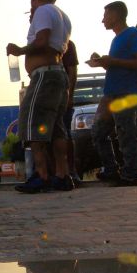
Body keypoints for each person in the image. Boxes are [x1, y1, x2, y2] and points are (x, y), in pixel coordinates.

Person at [7, 0, 73, 193]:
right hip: (58, 74)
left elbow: (43, 40)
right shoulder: (63, 15)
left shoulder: (43, 11)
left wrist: (20, 50)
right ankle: (63, 175)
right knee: (56, 128)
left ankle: (42, 174)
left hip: (44, 76)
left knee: (32, 121)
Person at [88, 1, 137, 187]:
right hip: (111, 92)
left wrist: (112, 61)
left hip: (125, 93)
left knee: (125, 132)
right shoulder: (117, 38)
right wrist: (103, 62)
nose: (103, 20)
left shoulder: (134, 34)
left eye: (105, 15)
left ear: (115, 15)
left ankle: (130, 175)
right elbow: (117, 64)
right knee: (98, 132)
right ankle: (111, 169)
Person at [63, 40, 80, 184]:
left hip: (62, 95)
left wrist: (69, 95)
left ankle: (71, 171)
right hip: (44, 95)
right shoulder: (34, 42)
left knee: (65, 132)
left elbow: (72, 72)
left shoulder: (66, 43)